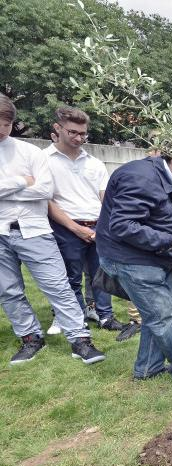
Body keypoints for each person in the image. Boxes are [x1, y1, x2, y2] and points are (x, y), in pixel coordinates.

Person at [0, 94, 105, 365]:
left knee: (58, 285)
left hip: (33, 230)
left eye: (6, 125)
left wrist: (10, 189)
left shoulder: (29, 152)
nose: (2, 130)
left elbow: (45, 190)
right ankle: (30, 338)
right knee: (9, 290)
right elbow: (34, 188)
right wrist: (22, 182)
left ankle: (80, 339)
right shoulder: (38, 157)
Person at [95, 153, 172, 388]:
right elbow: (122, 226)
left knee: (157, 313)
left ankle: (148, 367)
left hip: (156, 256)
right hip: (132, 259)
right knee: (163, 317)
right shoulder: (140, 177)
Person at [46, 106, 124, 332]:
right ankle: (75, 318)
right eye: (73, 132)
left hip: (98, 226)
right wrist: (75, 228)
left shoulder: (95, 163)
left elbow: (106, 199)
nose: (79, 138)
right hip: (65, 227)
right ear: (57, 128)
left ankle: (106, 317)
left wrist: (104, 228)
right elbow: (48, 201)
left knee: (102, 274)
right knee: (70, 277)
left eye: (83, 133)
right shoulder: (43, 160)